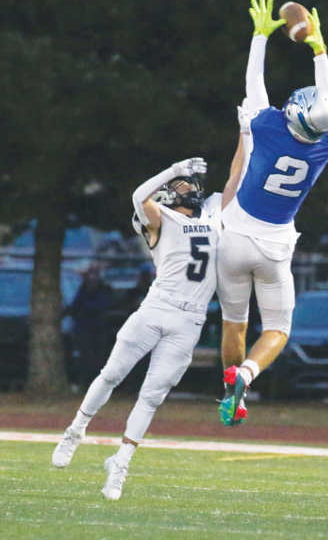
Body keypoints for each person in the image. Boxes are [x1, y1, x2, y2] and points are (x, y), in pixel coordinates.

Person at [52, 127, 246, 500]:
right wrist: (173, 169)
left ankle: (120, 462)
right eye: (183, 185)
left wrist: (246, 133)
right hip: (156, 309)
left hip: (191, 320)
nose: (191, 187)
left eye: (189, 183)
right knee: (111, 375)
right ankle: (74, 432)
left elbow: (236, 177)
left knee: (152, 396)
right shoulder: (158, 218)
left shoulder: (211, 213)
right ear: (170, 194)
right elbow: (139, 195)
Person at [217, 0, 328, 426]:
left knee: (235, 323)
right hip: (275, 245)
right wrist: (319, 47)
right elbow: (327, 102)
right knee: (277, 330)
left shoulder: (268, 126)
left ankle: (227, 388)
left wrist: (260, 37)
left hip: (234, 237)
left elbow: (255, 83)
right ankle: (247, 376)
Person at [69, 264, 111, 388]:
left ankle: (99, 384)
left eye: (95, 274)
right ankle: (84, 383)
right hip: (84, 329)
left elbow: (103, 306)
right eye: (90, 274)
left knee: (99, 357)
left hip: (98, 328)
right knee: (85, 357)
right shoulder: (82, 291)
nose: (92, 278)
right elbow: (75, 308)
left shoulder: (104, 290)